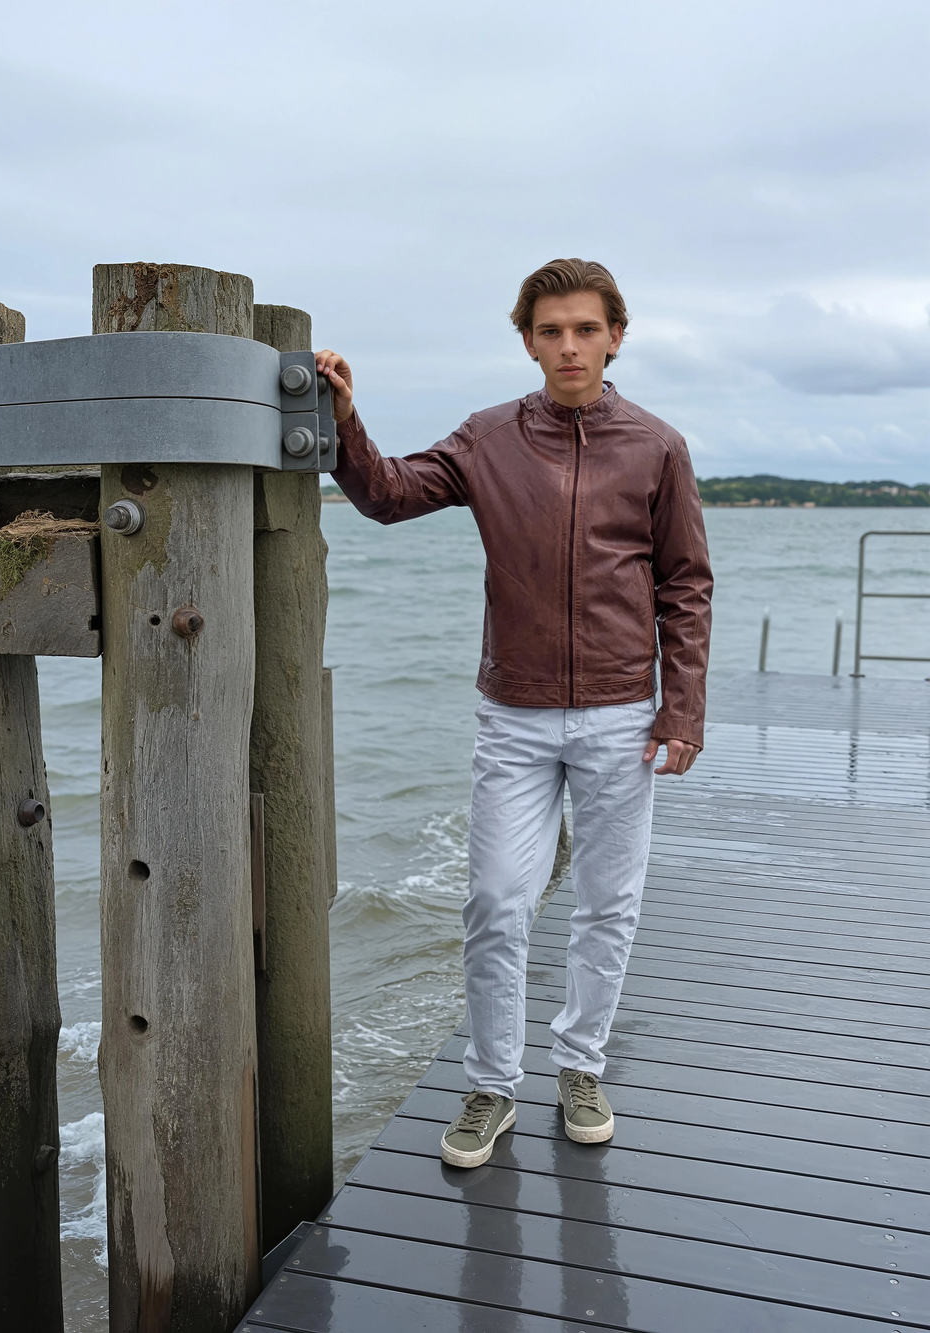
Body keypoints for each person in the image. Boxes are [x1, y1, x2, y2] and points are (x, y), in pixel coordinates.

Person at [316, 257, 712, 1169]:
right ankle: (493, 1083)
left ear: (615, 337)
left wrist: (681, 707)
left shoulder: (657, 446)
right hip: (515, 715)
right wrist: (344, 421)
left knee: (608, 905)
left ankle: (580, 1066)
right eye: (550, 331)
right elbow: (387, 495)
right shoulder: (489, 437)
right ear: (528, 341)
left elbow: (686, 585)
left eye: (585, 329)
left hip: (622, 714)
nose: (569, 346)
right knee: (497, 901)